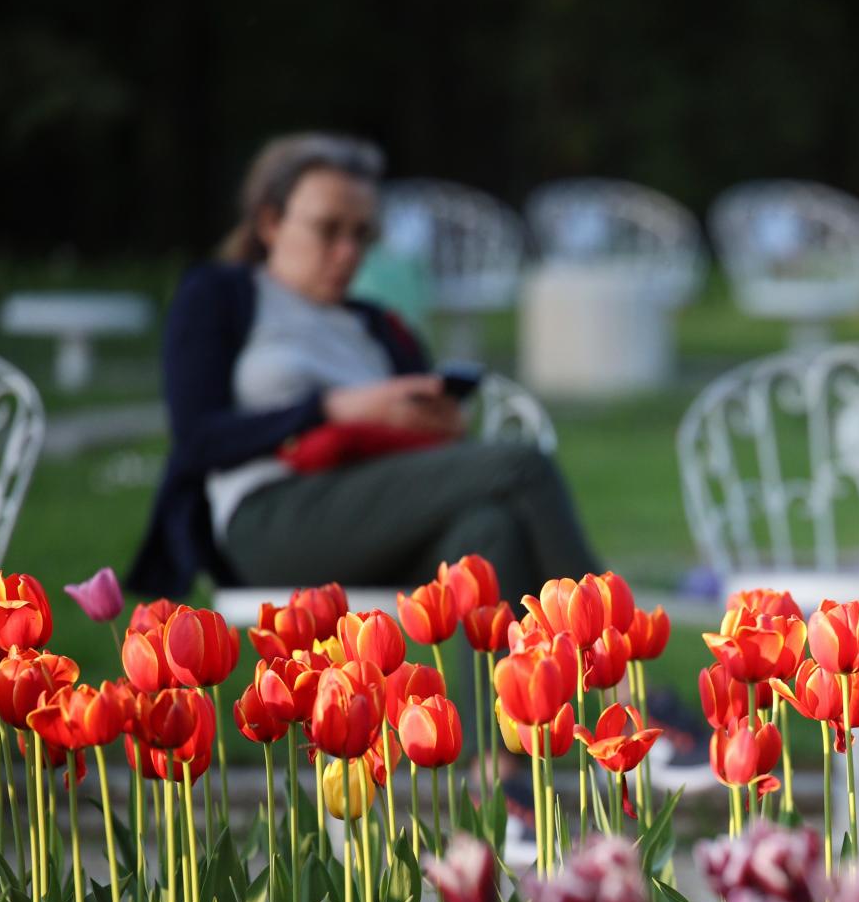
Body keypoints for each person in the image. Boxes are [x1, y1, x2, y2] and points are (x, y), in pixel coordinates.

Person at [127, 132, 601, 601]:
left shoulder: (381, 327)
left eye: (362, 234)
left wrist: (439, 426)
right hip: (271, 518)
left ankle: (510, 681)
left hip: (380, 519)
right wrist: (335, 408)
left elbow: (422, 457)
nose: (348, 251)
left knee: (490, 532)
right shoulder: (220, 295)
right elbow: (198, 439)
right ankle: (615, 668)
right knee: (520, 464)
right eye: (329, 229)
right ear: (271, 222)